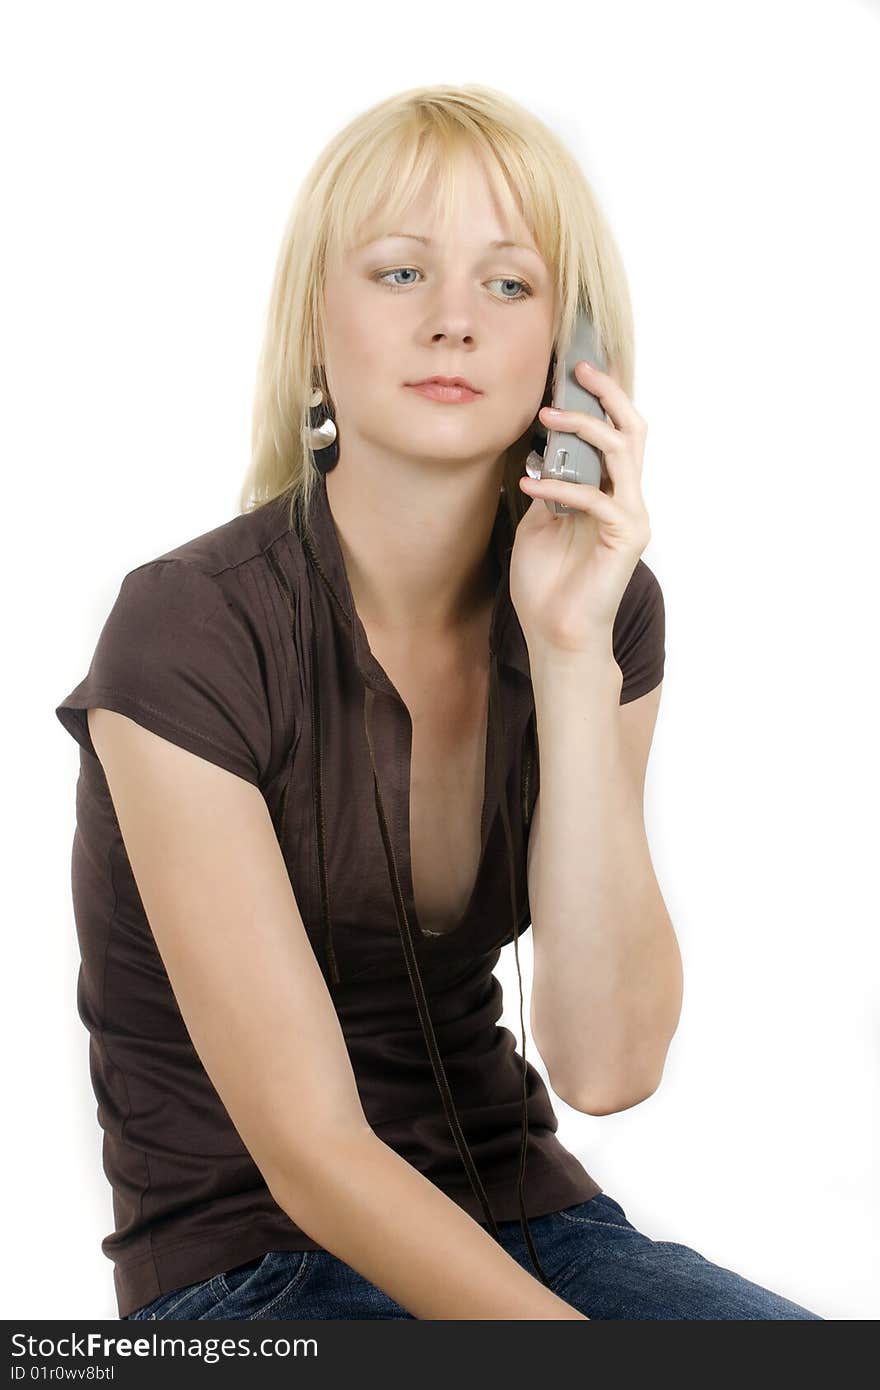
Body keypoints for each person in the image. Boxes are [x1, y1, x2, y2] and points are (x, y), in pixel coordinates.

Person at [55, 83, 823, 1321]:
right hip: (249, 1264)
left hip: (531, 1218)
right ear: (317, 325)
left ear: (572, 351)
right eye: (401, 275)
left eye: (510, 285)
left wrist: (570, 653)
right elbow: (313, 1156)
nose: (454, 323)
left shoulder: (604, 610)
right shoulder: (188, 628)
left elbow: (608, 1062)